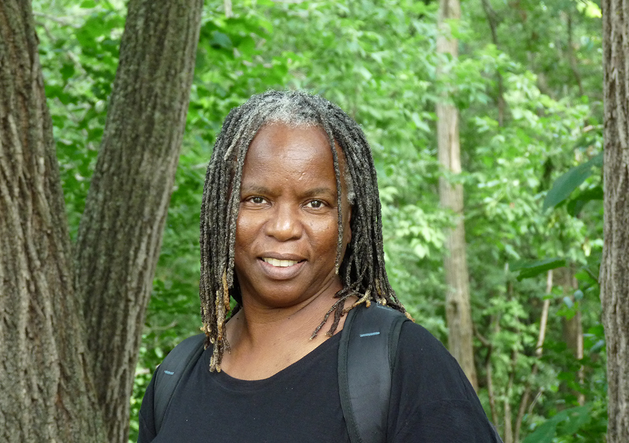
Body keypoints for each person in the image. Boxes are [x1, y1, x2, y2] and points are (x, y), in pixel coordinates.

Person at [137, 91, 502, 442]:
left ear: (349, 222)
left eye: (315, 204)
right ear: (222, 211)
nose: (283, 228)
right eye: (257, 199)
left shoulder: (405, 366)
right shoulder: (176, 376)